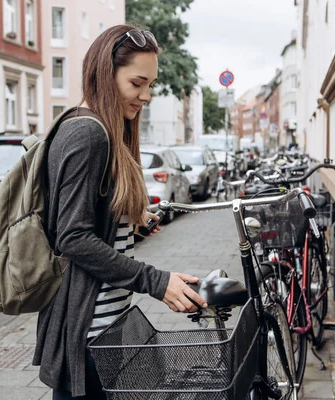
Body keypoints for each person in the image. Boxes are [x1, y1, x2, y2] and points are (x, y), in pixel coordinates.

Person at [32, 24, 207, 399]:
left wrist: (130, 230)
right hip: (90, 333)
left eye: (151, 85)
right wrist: (156, 282)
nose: (145, 96)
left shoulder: (107, 132)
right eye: (137, 83)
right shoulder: (88, 134)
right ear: (105, 75)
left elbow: (91, 227)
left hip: (109, 326)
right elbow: (72, 237)